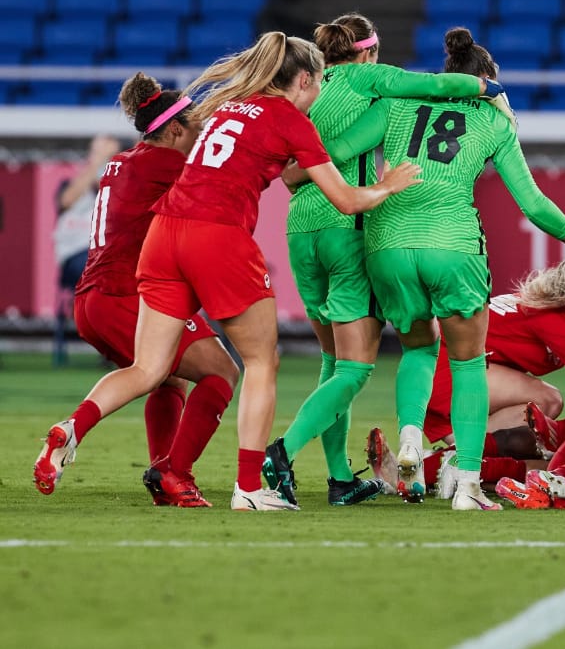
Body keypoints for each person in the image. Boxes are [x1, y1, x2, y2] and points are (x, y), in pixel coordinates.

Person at [33, 33, 421, 511]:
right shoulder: (290, 119)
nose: (320, 91)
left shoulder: (226, 104)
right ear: (304, 79)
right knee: (261, 362)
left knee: (149, 369)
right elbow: (345, 198)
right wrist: (387, 185)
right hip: (216, 235)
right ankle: (248, 488)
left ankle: (70, 429)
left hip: (163, 237)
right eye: (319, 81)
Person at [339, 26, 565, 510]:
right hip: (454, 246)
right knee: (467, 365)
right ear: (485, 80)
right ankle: (466, 486)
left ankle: (413, 439)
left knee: (418, 349)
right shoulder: (494, 122)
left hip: (387, 245)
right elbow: (533, 204)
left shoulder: (398, 102)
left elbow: (334, 152)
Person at [272, 12, 492, 507]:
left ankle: (337, 477)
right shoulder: (369, 77)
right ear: (367, 51)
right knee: (354, 368)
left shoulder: (307, 84)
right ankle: (281, 452)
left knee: (332, 361)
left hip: (299, 230)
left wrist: (297, 172)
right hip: (345, 226)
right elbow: (434, 85)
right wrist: (487, 87)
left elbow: (294, 170)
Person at [57, 73, 241, 508]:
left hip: (92, 298)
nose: (200, 137)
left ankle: (164, 470)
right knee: (220, 373)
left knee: (168, 377)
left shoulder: (124, 161)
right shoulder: (169, 163)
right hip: (130, 295)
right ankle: (164, 467)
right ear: (174, 129)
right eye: (195, 128)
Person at [420, 254, 565, 462]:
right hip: (445, 367)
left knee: (536, 412)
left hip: (463, 371)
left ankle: (448, 458)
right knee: (549, 400)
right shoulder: (549, 316)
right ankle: (457, 457)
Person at [52, 133, 120, 363]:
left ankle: (114, 341)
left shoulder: (120, 181)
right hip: (75, 256)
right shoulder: (71, 183)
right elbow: (67, 200)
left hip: (107, 256)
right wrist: (97, 160)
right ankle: (105, 337)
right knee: (104, 275)